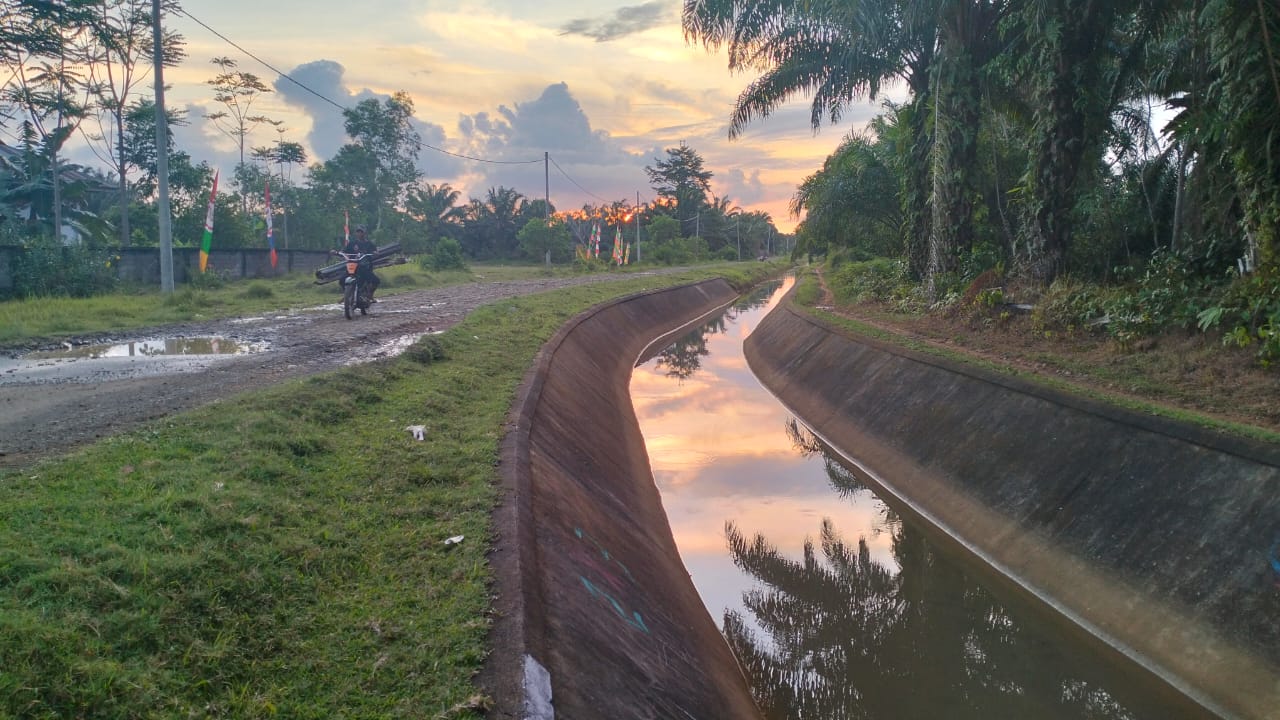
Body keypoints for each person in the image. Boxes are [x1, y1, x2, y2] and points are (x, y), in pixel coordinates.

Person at [333, 224, 381, 300]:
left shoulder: (369, 244)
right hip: (353, 267)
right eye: (358, 232)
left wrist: (375, 253)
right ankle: (346, 294)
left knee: (376, 281)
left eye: (361, 232)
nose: (359, 234)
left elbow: (375, 252)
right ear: (356, 233)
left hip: (365, 267)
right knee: (342, 280)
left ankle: (370, 295)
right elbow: (344, 251)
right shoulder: (352, 243)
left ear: (365, 233)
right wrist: (337, 252)